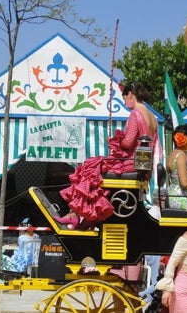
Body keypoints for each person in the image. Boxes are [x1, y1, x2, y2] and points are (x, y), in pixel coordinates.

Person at [58, 82, 161, 228]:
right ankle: (88, 214)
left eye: (124, 98)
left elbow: (128, 142)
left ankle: (76, 214)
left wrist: (114, 140)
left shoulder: (136, 114)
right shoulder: (152, 116)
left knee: (89, 167)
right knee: (94, 166)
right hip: (143, 163)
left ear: (130, 95)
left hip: (131, 163)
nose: (125, 103)